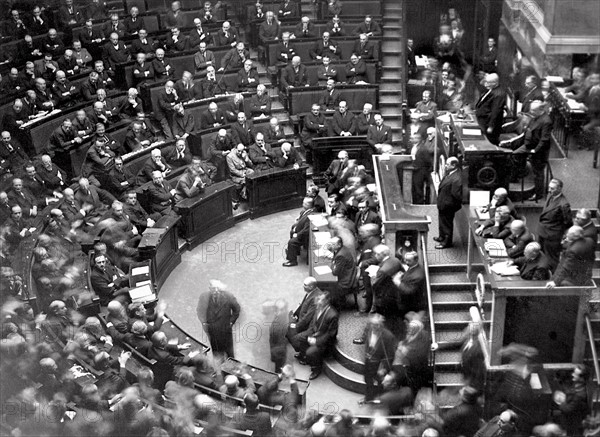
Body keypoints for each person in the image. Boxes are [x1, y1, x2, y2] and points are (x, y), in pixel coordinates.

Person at [289, 292, 338, 380]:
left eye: (321, 300)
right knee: (298, 337)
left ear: (327, 301)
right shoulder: (318, 308)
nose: (318, 301)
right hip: (314, 333)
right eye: (318, 299)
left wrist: (316, 341)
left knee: (311, 352)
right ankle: (305, 358)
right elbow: (314, 325)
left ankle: (316, 368)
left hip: (325, 341)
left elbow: (330, 334)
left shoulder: (332, 315)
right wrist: (308, 333)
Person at [514, 101, 552, 201]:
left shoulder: (546, 121)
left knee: (538, 173)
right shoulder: (535, 117)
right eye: (531, 109)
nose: (531, 111)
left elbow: (544, 139)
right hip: (528, 145)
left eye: (533, 110)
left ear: (541, 110)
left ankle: (539, 194)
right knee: (514, 154)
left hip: (538, 151)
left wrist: (535, 150)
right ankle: (521, 172)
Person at [356, 313, 396, 404]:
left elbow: (390, 355)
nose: (374, 326)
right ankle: (369, 398)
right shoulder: (369, 329)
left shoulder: (388, 336)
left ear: (381, 324)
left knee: (381, 383)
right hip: (368, 361)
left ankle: (381, 400)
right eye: (372, 324)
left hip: (379, 365)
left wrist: (384, 368)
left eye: (377, 324)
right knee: (368, 381)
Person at [196, 279, 240, 359]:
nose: (216, 291)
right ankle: (219, 369)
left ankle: (231, 367)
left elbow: (237, 309)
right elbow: (200, 311)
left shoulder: (228, 296)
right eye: (213, 288)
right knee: (216, 353)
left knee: (229, 353)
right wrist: (204, 323)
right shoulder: (204, 296)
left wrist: (231, 322)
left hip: (226, 330)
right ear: (209, 288)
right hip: (212, 330)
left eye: (217, 288)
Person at [538, 178, 572, 269]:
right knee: (542, 255)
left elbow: (568, 222)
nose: (549, 190)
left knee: (552, 259)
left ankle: (553, 278)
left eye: (552, 188)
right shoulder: (550, 195)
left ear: (560, 188)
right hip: (543, 232)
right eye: (549, 188)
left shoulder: (564, 204)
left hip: (552, 236)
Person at [553, 364, 590, 436]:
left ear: (582, 378)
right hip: (570, 420)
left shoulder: (580, 394)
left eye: (576, 374)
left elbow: (568, 409)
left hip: (573, 422)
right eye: (574, 372)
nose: (572, 375)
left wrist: (561, 402)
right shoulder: (577, 384)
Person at [435, 157, 462, 249]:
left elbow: (456, 195)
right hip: (443, 203)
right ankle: (441, 237)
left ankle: (446, 242)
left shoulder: (457, 178)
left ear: (454, 165)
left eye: (447, 164)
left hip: (448, 205)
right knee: (442, 221)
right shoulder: (451, 173)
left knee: (447, 224)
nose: (445, 166)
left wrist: (451, 205)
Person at [327, 236, 358, 310]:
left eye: (333, 244)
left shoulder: (341, 255)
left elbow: (335, 272)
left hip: (347, 281)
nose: (331, 246)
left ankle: (336, 306)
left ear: (339, 245)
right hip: (350, 274)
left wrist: (332, 265)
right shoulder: (343, 248)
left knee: (330, 286)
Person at [287, 276, 322, 342]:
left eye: (305, 285)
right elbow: (303, 304)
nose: (303, 286)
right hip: (300, 317)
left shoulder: (315, 298)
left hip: (304, 325)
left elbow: (308, 317)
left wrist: (296, 325)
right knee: (290, 315)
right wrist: (295, 313)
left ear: (311, 287)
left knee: (290, 331)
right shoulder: (312, 292)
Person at [475, 73, 506, 145]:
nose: (485, 84)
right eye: (485, 81)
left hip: (488, 125)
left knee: (487, 143)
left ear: (495, 83)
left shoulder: (499, 94)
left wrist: (491, 126)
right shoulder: (491, 89)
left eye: (488, 82)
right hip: (482, 122)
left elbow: (496, 111)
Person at [283, 197, 315, 267]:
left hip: (304, 236)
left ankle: (292, 261)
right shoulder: (304, 211)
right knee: (292, 232)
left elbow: (306, 230)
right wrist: (295, 226)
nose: (302, 204)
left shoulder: (310, 215)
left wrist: (297, 235)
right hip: (300, 231)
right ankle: (295, 251)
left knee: (291, 242)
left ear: (308, 205)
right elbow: (300, 219)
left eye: (304, 203)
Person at [396, 251, 426, 316]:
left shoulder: (418, 275)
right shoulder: (413, 267)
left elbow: (409, 291)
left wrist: (398, 282)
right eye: (405, 260)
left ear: (416, 260)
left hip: (410, 305)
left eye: (409, 261)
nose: (406, 262)